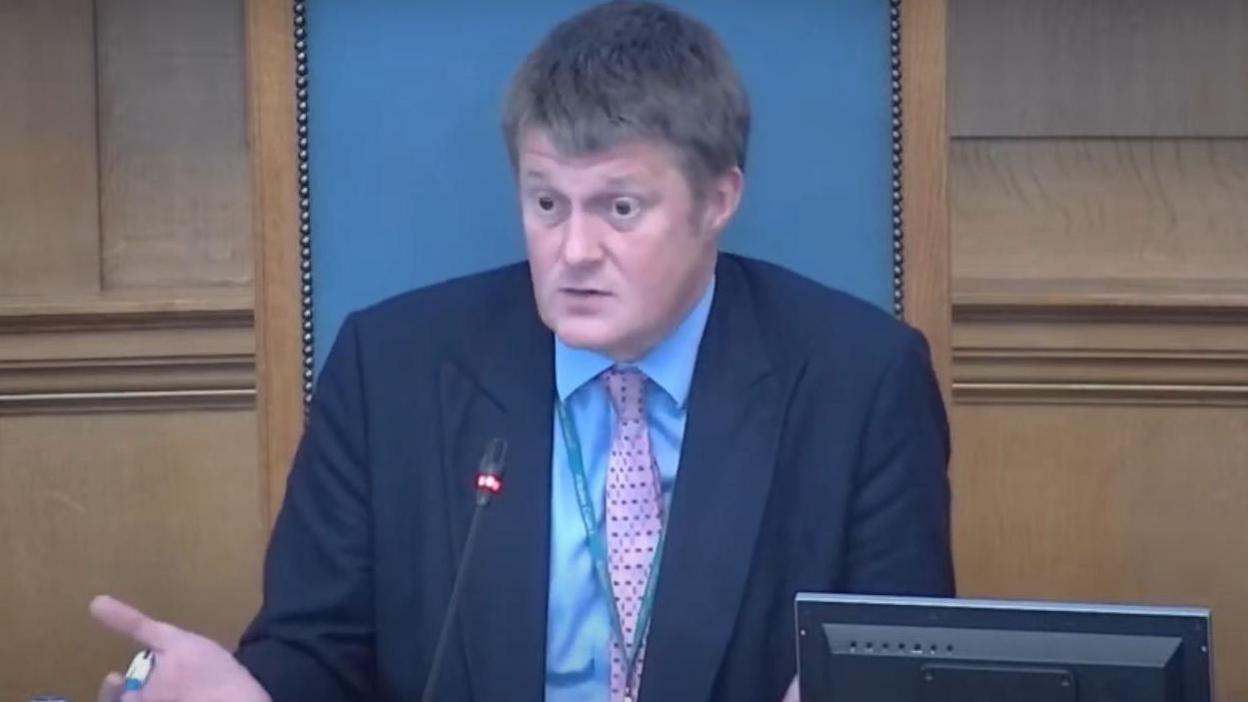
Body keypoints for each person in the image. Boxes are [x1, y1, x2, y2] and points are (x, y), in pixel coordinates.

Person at [91, 2, 953, 701]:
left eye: (620, 209)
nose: (573, 250)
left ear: (718, 198)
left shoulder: (859, 379)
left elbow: (900, 660)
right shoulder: (391, 369)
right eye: (547, 204)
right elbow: (318, 653)